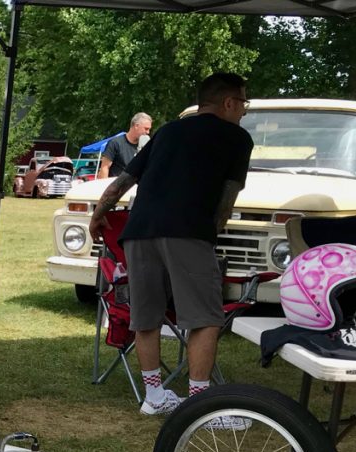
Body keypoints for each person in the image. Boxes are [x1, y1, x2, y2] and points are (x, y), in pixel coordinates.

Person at [88, 73, 253, 419]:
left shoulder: (166, 132)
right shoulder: (237, 138)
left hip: (139, 230)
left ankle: (154, 395)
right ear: (228, 102)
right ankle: (199, 407)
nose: (244, 111)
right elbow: (228, 196)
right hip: (188, 232)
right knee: (206, 318)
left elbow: (123, 181)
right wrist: (213, 230)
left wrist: (99, 214)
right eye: (243, 103)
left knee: (145, 315)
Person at [97, 112, 152, 179]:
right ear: (136, 126)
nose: (148, 132)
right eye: (146, 129)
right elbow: (104, 168)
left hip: (136, 188)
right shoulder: (115, 143)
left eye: (149, 129)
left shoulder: (145, 146)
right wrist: (104, 187)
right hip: (116, 187)